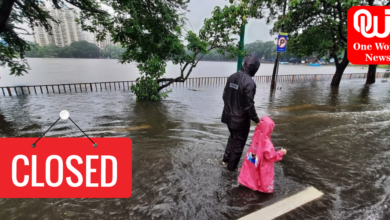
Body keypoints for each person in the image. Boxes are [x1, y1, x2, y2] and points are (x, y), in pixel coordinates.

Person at [221, 53, 261, 172]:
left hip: (228, 117)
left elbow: (224, 96)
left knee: (232, 138)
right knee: (238, 145)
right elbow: (249, 105)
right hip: (240, 121)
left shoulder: (232, 76)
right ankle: (231, 169)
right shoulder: (250, 83)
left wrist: (230, 109)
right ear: (254, 68)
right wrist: (256, 120)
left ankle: (225, 160)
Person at [238, 116, 287, 193]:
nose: (272, 129)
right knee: (262, 173)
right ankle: (261, 188)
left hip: (252, 156)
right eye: (271, 128)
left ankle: (246, 182)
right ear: (269, 129)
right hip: (262, 161)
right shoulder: (267, 142)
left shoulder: (256, 134)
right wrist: (281, 152)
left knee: (251, 169)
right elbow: (271, 156)